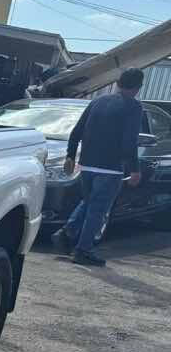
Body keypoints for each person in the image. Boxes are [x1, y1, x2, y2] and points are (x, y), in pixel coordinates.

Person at [51, 68, 145, 267]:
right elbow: (130, 141)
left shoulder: (97, 101)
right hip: (110, 168)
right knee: (98, 209)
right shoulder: (133, 107)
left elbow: (77, 131)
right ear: (137, 88)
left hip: (86, 164)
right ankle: (82, 250)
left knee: (88, 201)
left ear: (118, 82)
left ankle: (66, 233)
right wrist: (135, 169)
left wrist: (70, 155)